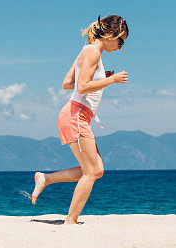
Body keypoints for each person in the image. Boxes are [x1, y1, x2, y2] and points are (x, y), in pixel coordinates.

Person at [30, 15, 129, 224]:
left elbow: (68, 83)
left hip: (77, 115)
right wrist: (111, 80)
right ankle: (71, 221)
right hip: (76, 115)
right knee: (92, 171)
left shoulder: (88, 52)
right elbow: (81, 87)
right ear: (110, 35)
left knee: (96, 170)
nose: (121, 47)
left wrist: (100, 77)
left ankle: (46, 179)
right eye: (121, 41)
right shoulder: (93, 52)